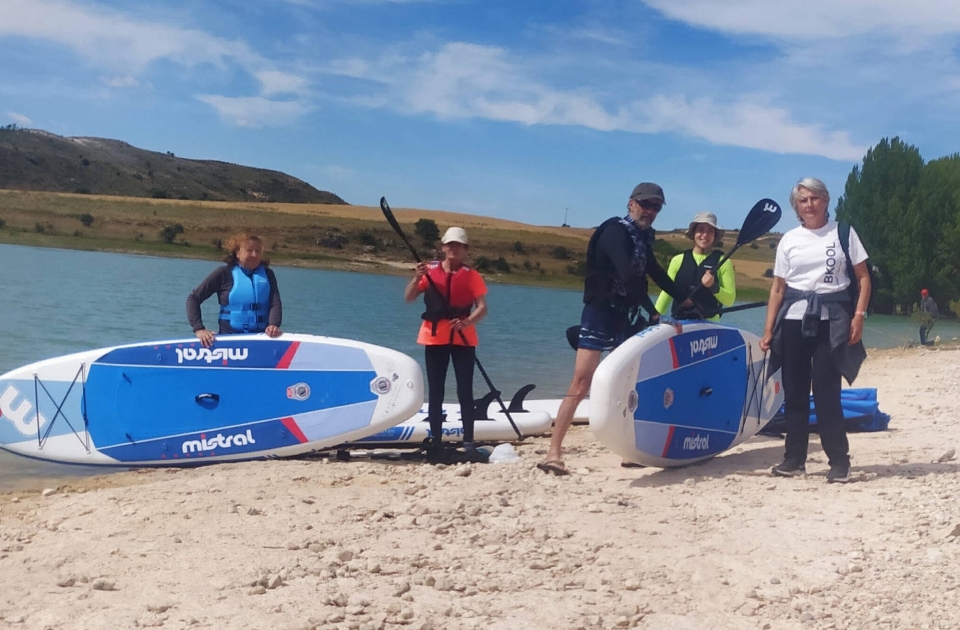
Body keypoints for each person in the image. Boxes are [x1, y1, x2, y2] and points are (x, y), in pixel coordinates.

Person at [538, 182, 694, 475]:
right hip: (599, 313)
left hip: (625, 315)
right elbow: (628, 274)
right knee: (581, 382)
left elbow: (656, 273)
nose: (650, 211)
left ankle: (629, 452)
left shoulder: (642, 239)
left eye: (656, 207)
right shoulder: (614, 231)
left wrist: (685, 299)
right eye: (645, 204)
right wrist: (654, 312)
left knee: (628, 382)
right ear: (631, 203)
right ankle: (553, 452)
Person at [759, 177, 871, 484]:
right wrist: (768, 330)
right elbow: (778, 288)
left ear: (825, 201)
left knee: (826, 392)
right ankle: (794, 459)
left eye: (814, 198)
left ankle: (839, 462)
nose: (809, 205)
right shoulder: (789, 240)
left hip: (831, 322)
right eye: (803, 200)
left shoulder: (843, 233)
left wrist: (858, 316)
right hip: (793, 321)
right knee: (794, 393)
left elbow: (863, 278)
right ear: (796, 206)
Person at [404, 227, 488, 456]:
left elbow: (482, 308)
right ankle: (436, 439)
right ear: (443, 248)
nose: (454, 249)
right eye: (450, 245)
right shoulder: (429, 272)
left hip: (463, 339)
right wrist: (417, 277)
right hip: (434, 338)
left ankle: (468, 440)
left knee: (465, 391)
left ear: (465, 249)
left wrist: (467, 322)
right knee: (436, 391)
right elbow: (409, 298)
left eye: (458, 245)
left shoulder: (471, 275)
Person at [186, 232, 283, 348]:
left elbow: (275, 303)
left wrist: (273, 325)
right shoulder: (223, 273)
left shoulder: (268, 275)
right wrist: (199, 329)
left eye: (258, 251)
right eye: (249, 250)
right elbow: (193, 298)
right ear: (238, 253)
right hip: (229, 340)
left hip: (261, 339)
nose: (254, 255)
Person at [654, 211, 736, 320]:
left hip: (710, 325)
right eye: (701, 230)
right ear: (693, 233)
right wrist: (654, 317)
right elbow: (666, 293)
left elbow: (730, 300)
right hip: (680, 323)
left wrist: (713, 286)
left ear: (715, 235)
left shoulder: (723, 262)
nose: (705, 235)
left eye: (710, 231)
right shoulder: (677, 260)